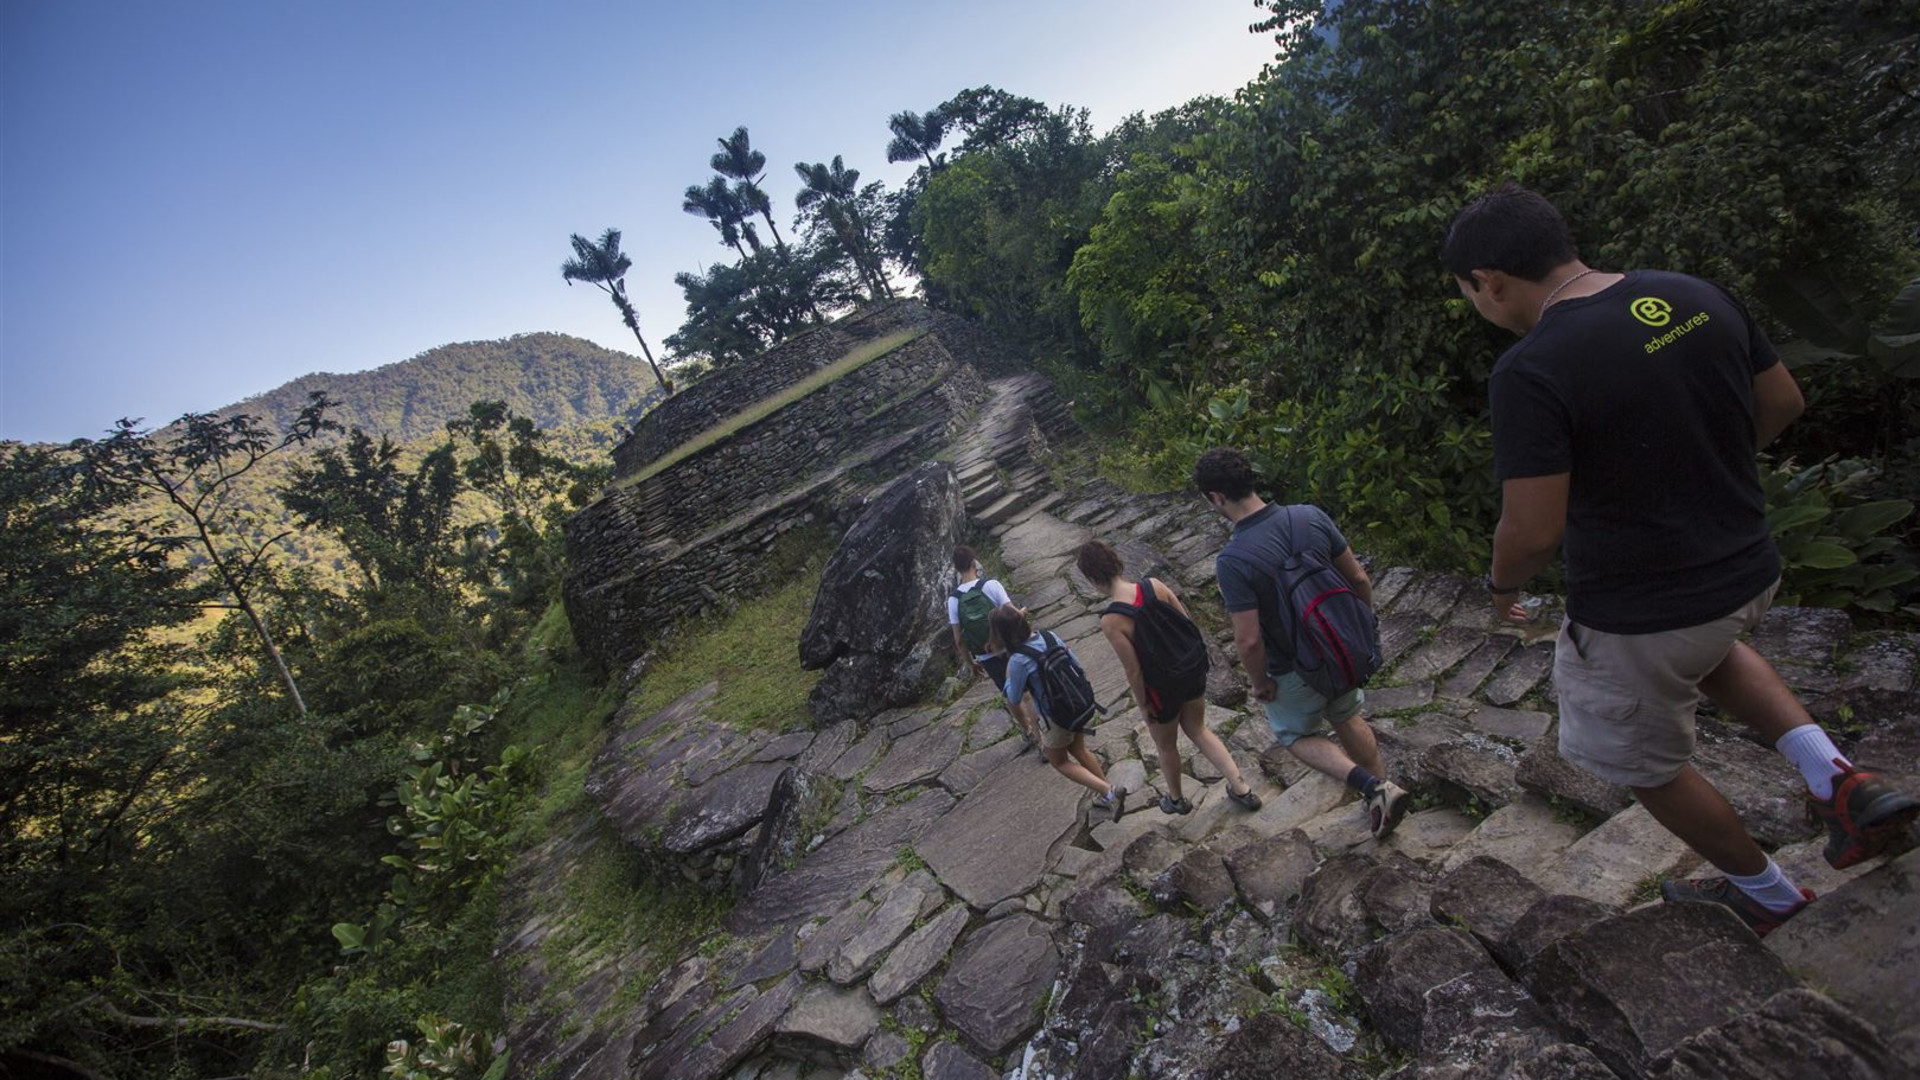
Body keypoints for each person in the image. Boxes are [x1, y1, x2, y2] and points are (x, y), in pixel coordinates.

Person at [1447, 182, 1919, 936]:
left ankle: (1768, 896)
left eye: (1470, 293)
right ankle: (1840, 781)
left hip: (1643, 609)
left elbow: (1532, 531)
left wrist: (1502, 585)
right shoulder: (1691, 294)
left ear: (1489, 281)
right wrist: (1703, 466)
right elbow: (1783, 402)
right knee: (1711, 645)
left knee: (1641, 764)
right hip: (1747, 568)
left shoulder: (1531, 368)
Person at [1196, 447, 1410, 838]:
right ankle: (1383, 792)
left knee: (1294, 735)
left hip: (1293, 665)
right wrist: (1359, 628)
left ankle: (1374, 788)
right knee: (1345, 714)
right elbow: (1359, 579)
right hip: (1339, 649)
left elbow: (1249, 640)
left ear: (1217, 497)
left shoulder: (1233, 560)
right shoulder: (1309, 516)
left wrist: (1260, 683)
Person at [1076, 538, 1263, 815]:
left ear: (1093, 580)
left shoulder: (1111, 621)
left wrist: (1144, 705)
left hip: (1160, 689)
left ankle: (1176, 800)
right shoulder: (1155, 586)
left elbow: (1133, 669)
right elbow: (1187, 622)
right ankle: (1242, 788)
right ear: (1117, 562)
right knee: (1199, 729)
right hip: (1190, 671)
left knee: (1166, 746)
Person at [991, 602, 1127, 820]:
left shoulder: (1017, 661)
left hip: (1056, 717)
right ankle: (1108, 794)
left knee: (1060, 762)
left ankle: (1108, 791)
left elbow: (1014, 698)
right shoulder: (1048, 636)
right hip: (1077, 703)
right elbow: (1076, 664)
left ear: (1001, 634)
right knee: (1080, 750)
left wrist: (1008, 675)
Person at [948, 545, 1041, 749]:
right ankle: (1042, 739)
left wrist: (971, 663)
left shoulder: (954, 600)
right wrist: (1023, 612)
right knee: (1027, 694)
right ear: (974, 563)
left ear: (956, 568)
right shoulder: (991, 585)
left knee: (1010, 694)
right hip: (1010, 647)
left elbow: (958, 639)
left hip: (987, 655)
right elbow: (1013, 614)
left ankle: (1028, 732)